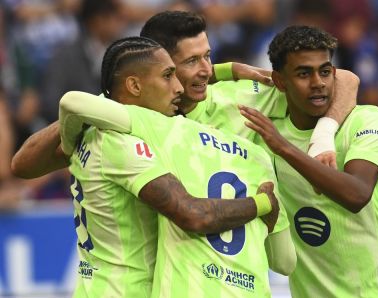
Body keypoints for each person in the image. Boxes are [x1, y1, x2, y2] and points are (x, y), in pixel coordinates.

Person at [57, 36, 293, 298]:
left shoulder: (93, 132)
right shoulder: (128, 141)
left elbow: (25, 159)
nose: (179, 87)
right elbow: (193, 214)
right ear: (134, 86)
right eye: (169, 75)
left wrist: (69, 146)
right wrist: (262, 204)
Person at [11, 10, 359, 178]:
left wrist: (324, 136)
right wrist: (99, 104)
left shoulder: (240, 97)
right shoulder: (117, 117)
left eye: (208, 56)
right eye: (192, 61)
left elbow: (343, 78)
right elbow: (24, 165)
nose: (207, 69)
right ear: (158, 64)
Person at [239, 25, 378, 298]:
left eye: (324, 71)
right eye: (303, 74)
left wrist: (288, 148)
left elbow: (357, 193)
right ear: (280, 82)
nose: (318, 83)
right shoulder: (268, 132)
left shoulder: (365, 119)